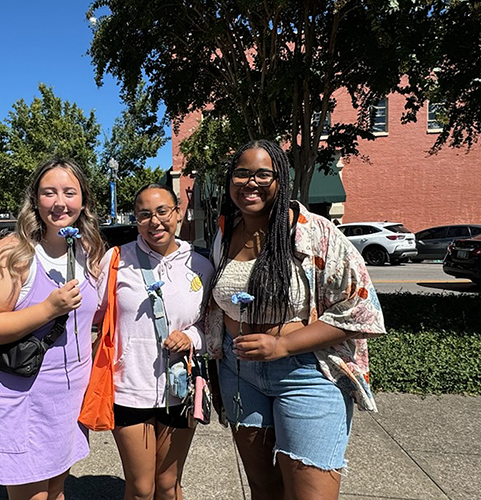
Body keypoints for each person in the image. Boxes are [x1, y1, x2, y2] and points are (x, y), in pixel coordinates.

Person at [204, 140, 386, 500]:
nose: (249, 182)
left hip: (306, 375)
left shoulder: (316, 233)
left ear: (280, 181)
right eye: (241, 173)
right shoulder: (225, 234)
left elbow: (362, 309)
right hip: (240, 374)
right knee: (264, 490)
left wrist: (283, 344)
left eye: (262, 174)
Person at [0, 157, 105, 500]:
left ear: (83, 201)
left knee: (56, 489)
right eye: (49, 193)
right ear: (35, 200)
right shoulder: (13, 253)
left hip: (68, 397)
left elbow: (92, 317)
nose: (60, 202)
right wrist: (47, 309)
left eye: (69, 193)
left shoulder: (86, 252)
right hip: (21, 395)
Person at [97, 184, 214, 500]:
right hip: (129, 387)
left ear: (178, 212)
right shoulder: (116, 260)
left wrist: (190, 337)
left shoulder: (200, 265)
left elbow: (212, 325)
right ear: (135, 219)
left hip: (180, 389)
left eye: (163, 211)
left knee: (168, 483)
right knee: (140, 487)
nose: (155, 221)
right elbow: (91, 314)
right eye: (144, 214)